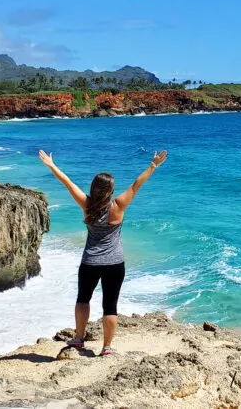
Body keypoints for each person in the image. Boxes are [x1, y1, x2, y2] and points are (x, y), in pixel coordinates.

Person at [38, 148, 168, 356]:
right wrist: (153, 166)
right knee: (110, 305)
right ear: (110, 190)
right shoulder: (118, 205)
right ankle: (106, 347)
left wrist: (52, 166)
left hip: (90, 262)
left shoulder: (87, 205)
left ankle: (79, 338)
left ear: (94, 188)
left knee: (83, 299)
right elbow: (137, 184)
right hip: (115, 264)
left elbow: (68, 183)